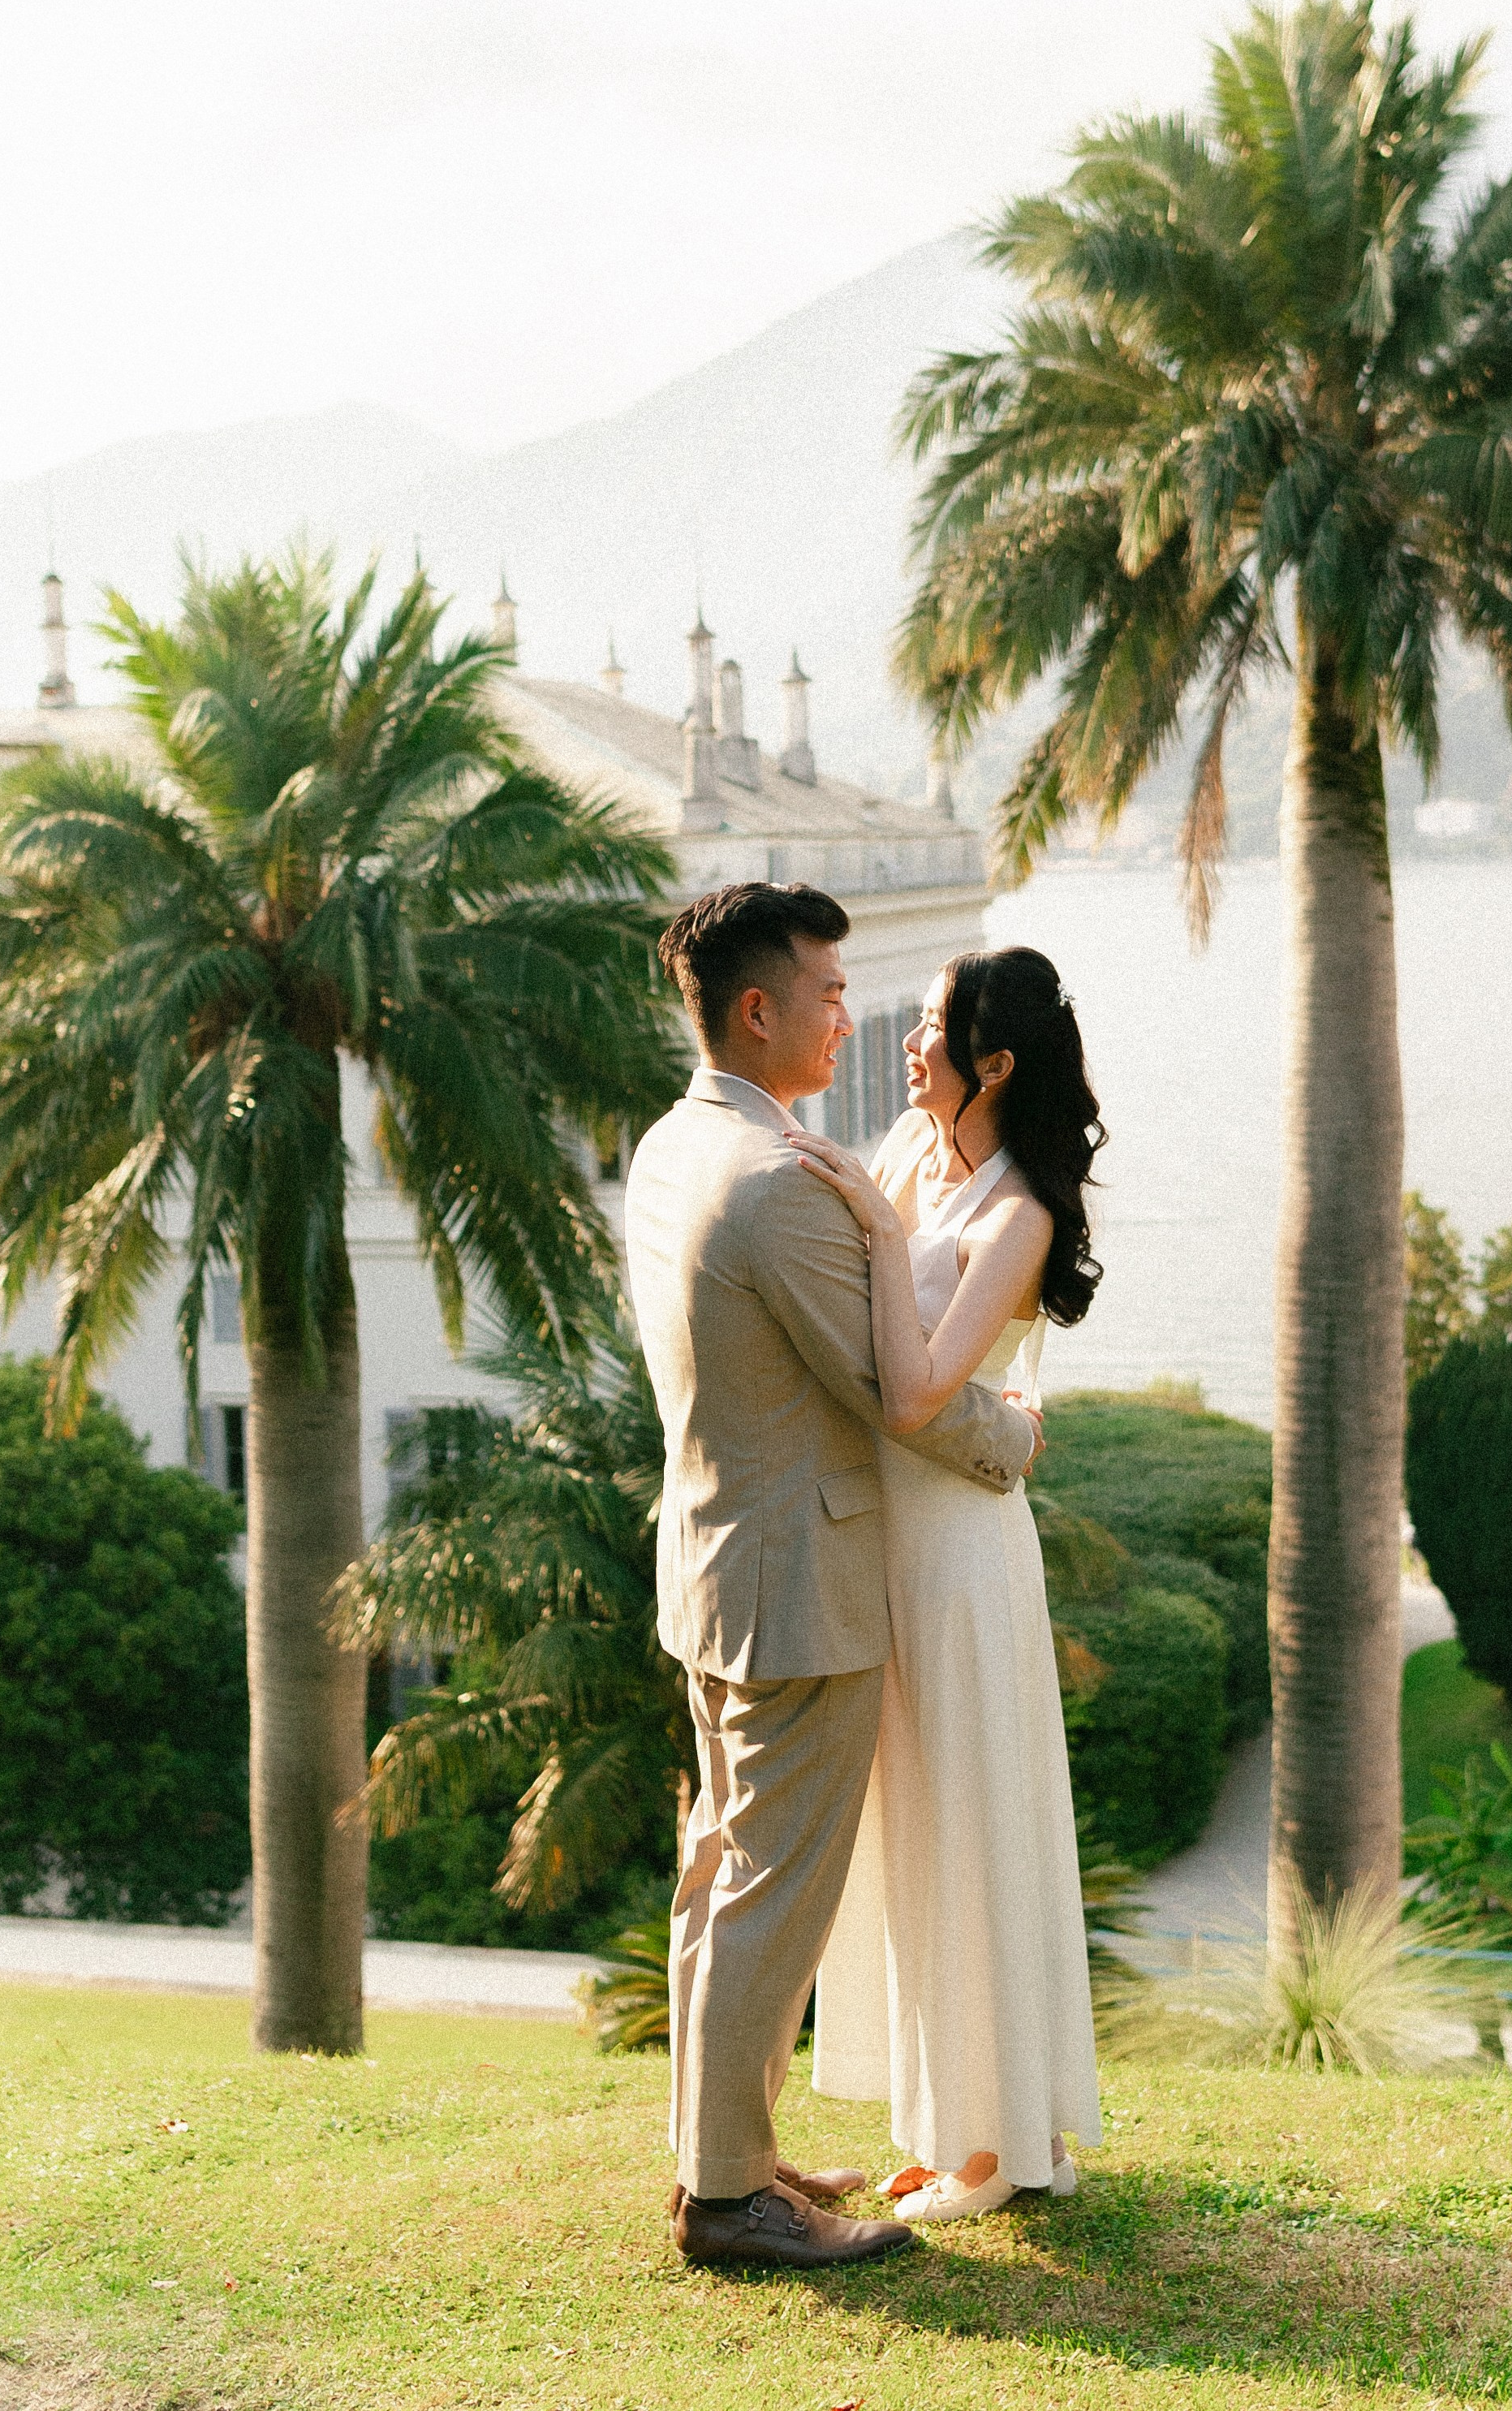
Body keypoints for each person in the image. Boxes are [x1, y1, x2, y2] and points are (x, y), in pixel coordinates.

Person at [621, 882, 1040, 2271]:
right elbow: (891, 1386)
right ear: (760, 1009)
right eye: (829, 992)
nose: (848, 1015)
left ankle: (722, 2157)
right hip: (799, 1584)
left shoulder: (677, 1148)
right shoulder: (771, 1184)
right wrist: (1016, 1438)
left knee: (720, 1875)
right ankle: (734, 2202)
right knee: (768, 1892)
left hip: (715, 1562)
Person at [799, 945, 1106, 2219]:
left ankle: (995, 2148)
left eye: (931, 1026)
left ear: (996, 1062)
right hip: (888, 1542)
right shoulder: (906, 1154)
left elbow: (923, 1390)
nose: (909, 1042)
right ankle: (946, 2120)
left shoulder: (1021, 1214)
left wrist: (874, 1223)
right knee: (912, 1834)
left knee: (975, 1827)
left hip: (965, 1558)